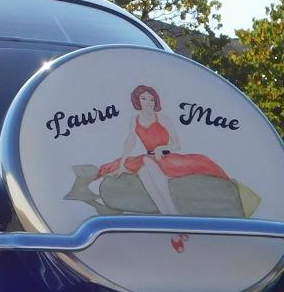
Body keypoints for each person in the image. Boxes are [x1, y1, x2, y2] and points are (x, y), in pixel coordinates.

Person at [94, 84, 231, 250]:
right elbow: (130, 141)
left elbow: (177, 144)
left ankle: (175, 227)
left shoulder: (163, 118)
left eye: (151, 99)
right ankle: (176, 227)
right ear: (137, 101)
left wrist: (161, 148)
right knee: (146, 170)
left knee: (147, 166)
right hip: (149, 159)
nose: (148, 102)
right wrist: (122, 164)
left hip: (166, 157)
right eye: (144, 99)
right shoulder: (134, 119)